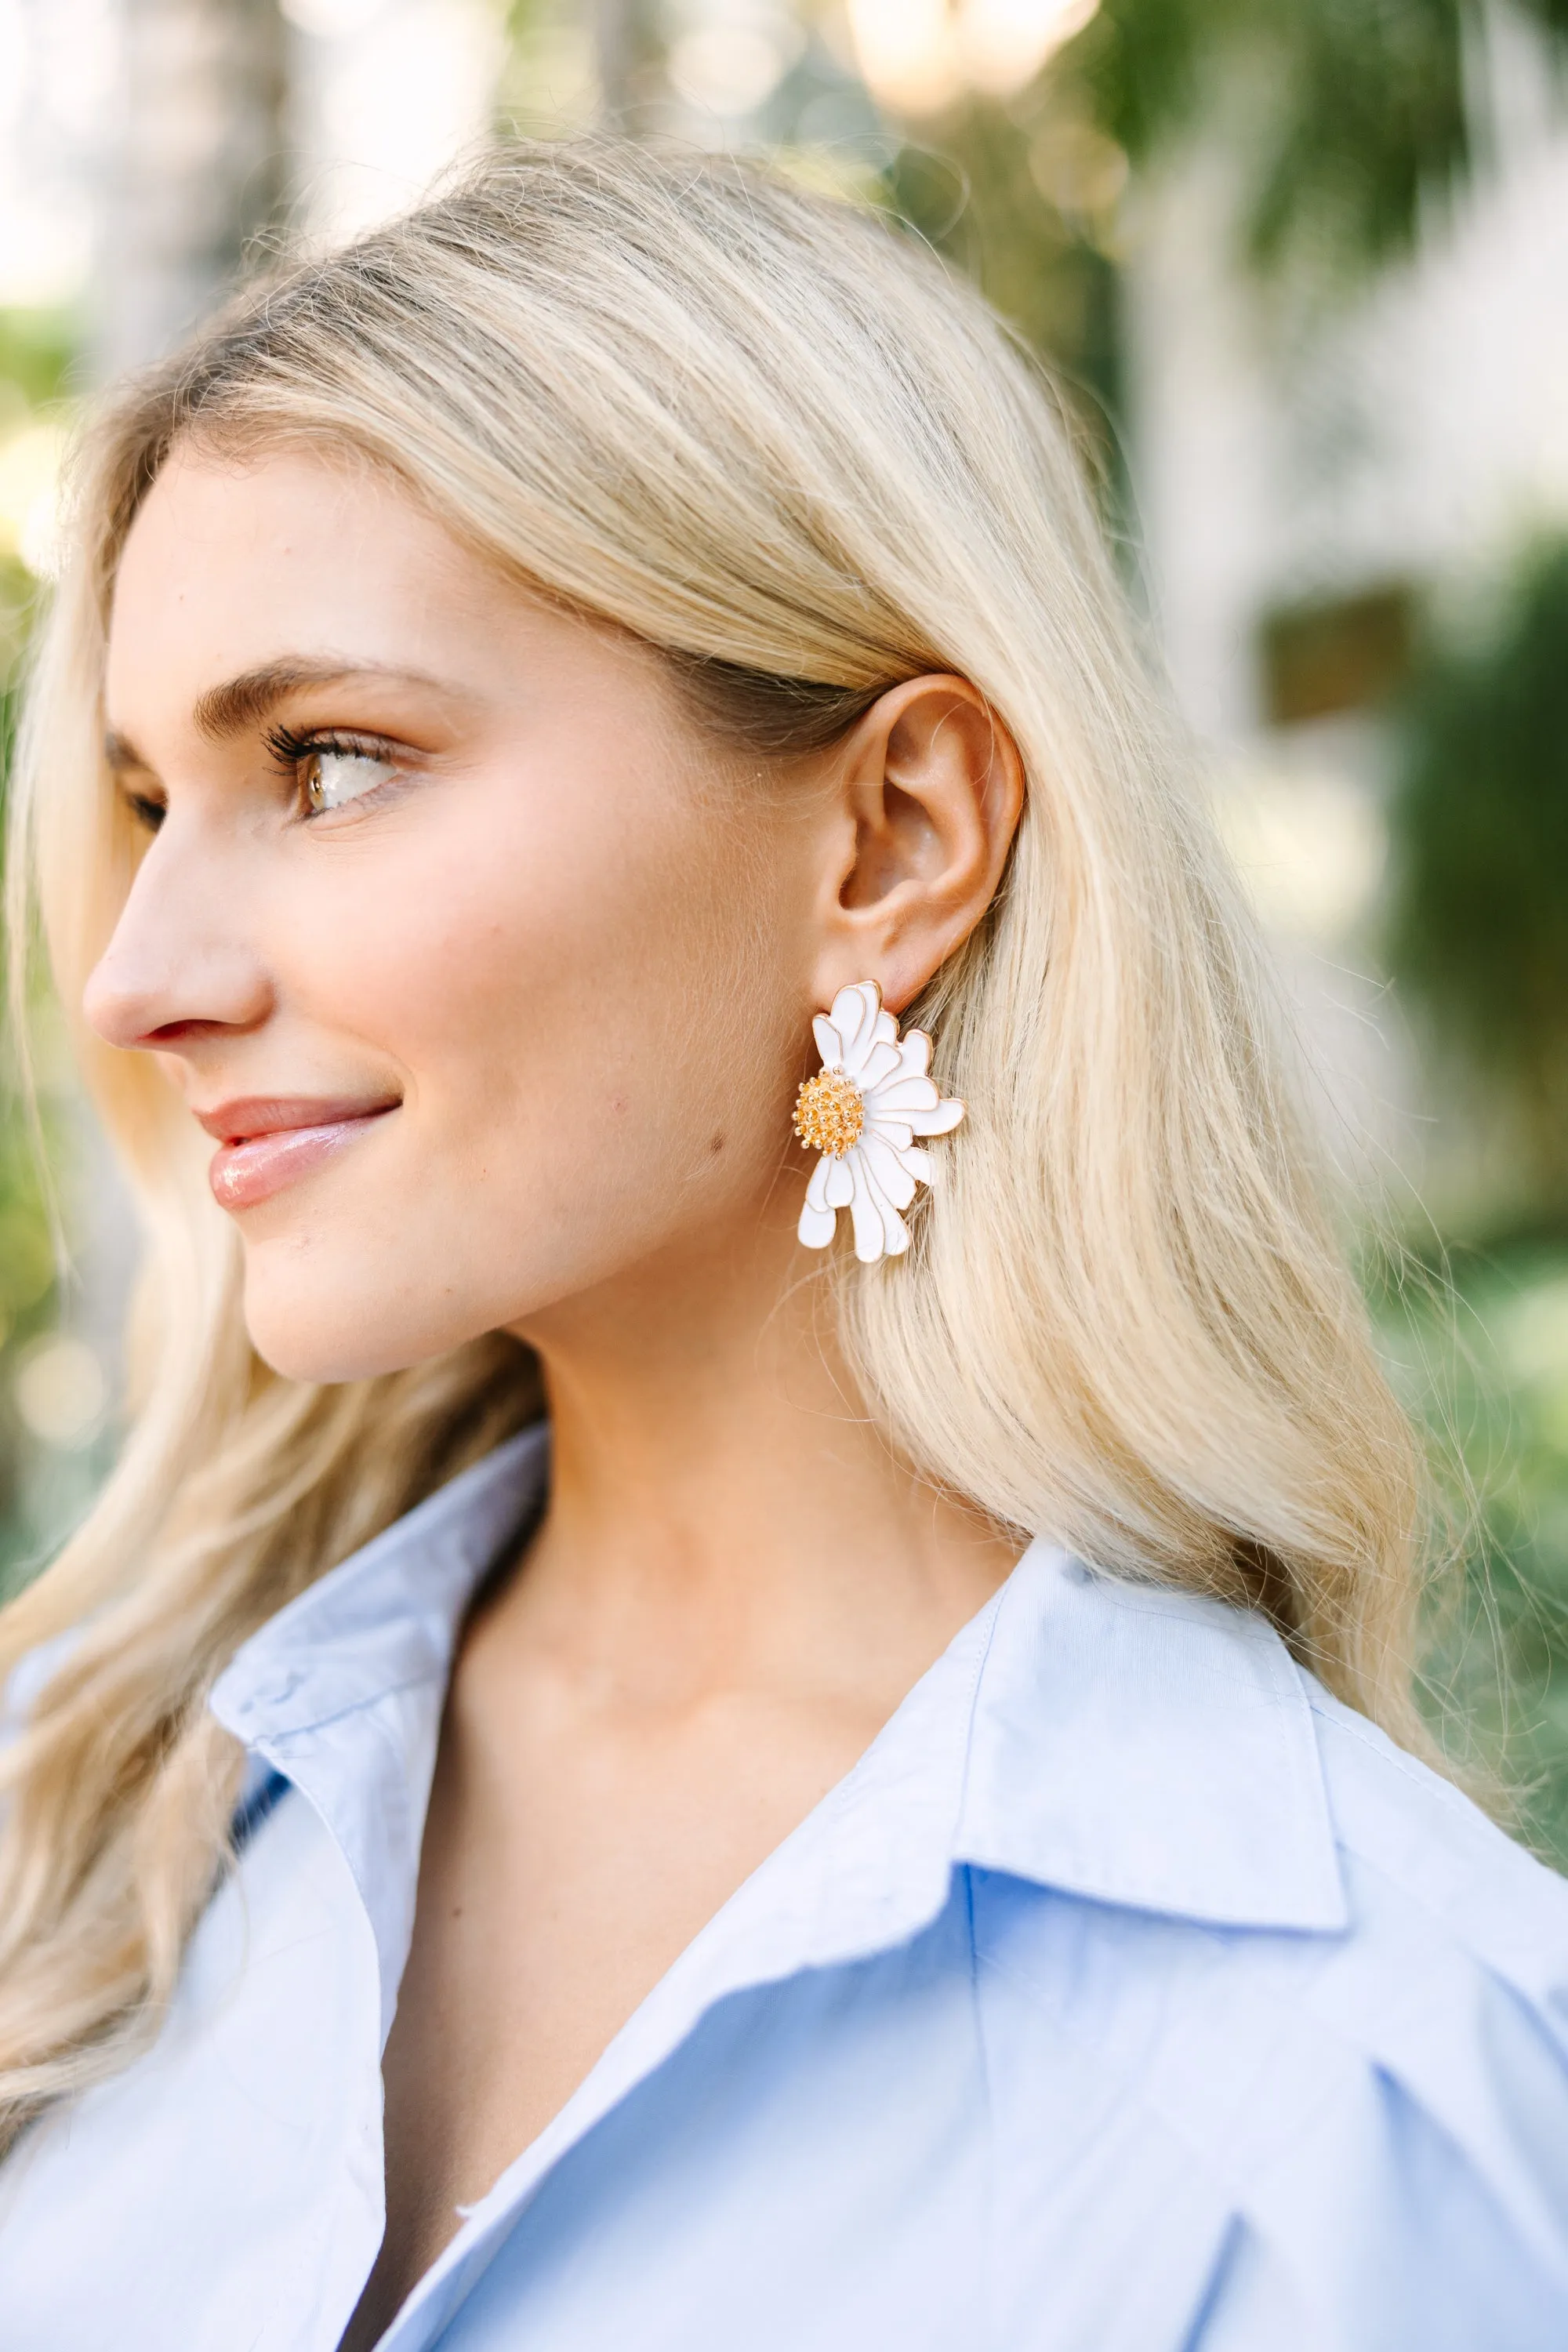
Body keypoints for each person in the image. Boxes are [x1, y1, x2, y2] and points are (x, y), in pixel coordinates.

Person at [0, 140, 1563, 2352]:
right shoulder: (75, 1811)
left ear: (898, 837)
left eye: (331, 764)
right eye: (153, 802)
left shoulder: (1372, 2100)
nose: (138, 977)